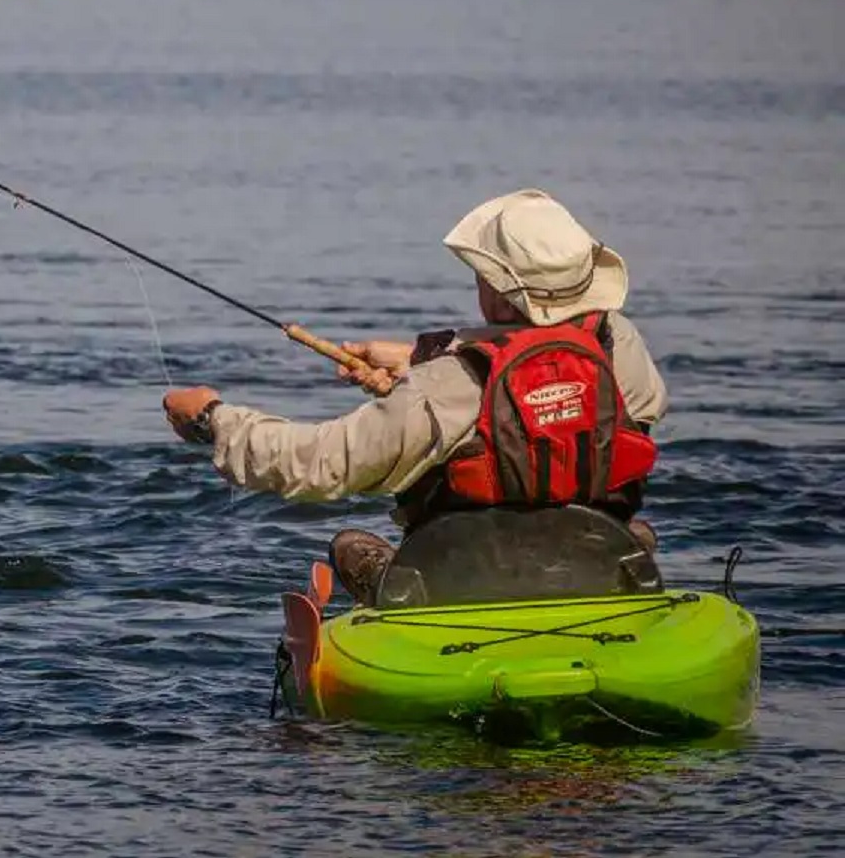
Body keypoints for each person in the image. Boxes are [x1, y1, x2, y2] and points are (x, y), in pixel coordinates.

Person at [162, 189, 668, 606]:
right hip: (588, 560)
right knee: (633, 532)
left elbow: (319, 463)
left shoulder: (444, 390)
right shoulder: (620, 347)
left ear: (495, 291)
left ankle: (399, 595)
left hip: (463, 586)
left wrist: (213, 421)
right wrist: (416, 364)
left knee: (348, 547)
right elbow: (536, 385)